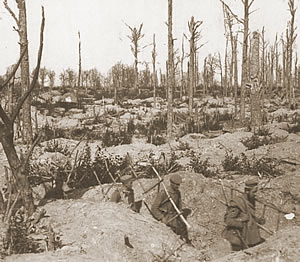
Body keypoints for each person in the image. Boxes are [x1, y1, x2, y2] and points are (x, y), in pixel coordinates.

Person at [222, 177, 266, 251]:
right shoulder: (238, 202)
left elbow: (249, 216)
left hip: (249, 236)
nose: (256, 194)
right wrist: (243, 224)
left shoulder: (250, 200)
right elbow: (228, 221)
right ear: (247, 191)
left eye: (256, 192)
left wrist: (258, 220)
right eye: (254, 192)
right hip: (237, 238)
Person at [151, 174, 190, 242]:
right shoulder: (163, 193)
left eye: (179, 184)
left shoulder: (178, 193)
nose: (178, 186)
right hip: (165, 217)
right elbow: (154, 208)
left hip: (174, 218)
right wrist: (161, 217)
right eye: (176, 184)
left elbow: (179, 206)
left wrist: (180, 213)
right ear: (172, 183)